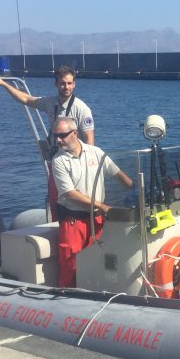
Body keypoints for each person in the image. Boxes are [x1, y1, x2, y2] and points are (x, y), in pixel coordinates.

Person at [51, 117, 133, 287]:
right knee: (71, 265)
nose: (58, 140)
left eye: (62, 135)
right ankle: (66, 296)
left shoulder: (96, 152)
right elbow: (70, 194)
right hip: (73, 222)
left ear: (75, 133)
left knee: (99, 262)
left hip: (97, 220)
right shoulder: (58, 161)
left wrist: (136, 189)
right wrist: (103, 206)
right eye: (55, 136)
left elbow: (118, 174)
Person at [0, 65, 95, 145]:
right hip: (56, 156)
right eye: (62, 83)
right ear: (56, 84)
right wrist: (3, 83)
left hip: (74, 160)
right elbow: (25, 99)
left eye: (69, 83)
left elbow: (89, 139)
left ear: (74, 84)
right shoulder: (50, 102)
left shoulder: (82, 109)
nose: (66, 87)